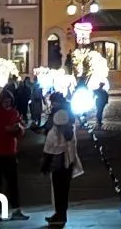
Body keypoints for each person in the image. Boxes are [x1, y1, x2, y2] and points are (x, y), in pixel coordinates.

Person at [0, 89, 29, 220]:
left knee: (12, 183)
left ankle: (16, 210)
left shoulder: (14, 113)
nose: (8, 104)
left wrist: (18, 129)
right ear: (0, 101)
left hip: (9, 152)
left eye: (10, 102)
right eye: (6, 102)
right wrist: (4, 130)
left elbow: (21, 128)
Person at [41, 94, 81, 227]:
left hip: (61, 158)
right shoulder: (63, 114)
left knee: (60, 189)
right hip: (63, 157)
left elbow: (59, 140)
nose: (53, 105)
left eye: (54, 102)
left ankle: (60, 216)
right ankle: (59, 214)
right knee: (60, 189)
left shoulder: (62, 117)